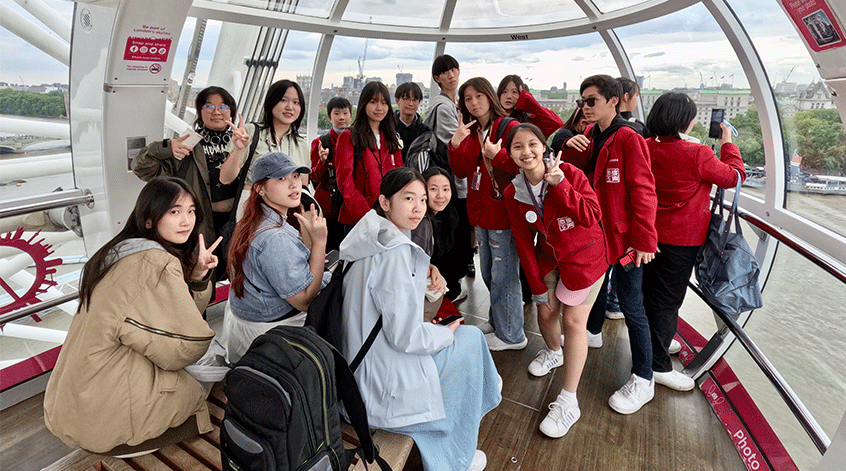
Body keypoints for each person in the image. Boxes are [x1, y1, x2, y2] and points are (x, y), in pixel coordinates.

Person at [339, 167, 501, 471]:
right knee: (469, 340)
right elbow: (406, 337)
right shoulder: (394, 252)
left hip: (356, 368)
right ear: (385, 202)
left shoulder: (367, 234)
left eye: (422, 199)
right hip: (378, 387)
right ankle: (455, 457)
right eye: (408, 198)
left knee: (464, 340)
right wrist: (444, 333)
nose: (418, 207)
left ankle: (464, 423)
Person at [44, 177, 219, 456]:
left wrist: (197, 276)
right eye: (174, 211)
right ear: (149, 219)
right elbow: (185, 345)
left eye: (191, 210)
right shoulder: (156, 262)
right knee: (198, 392)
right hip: (103, 420)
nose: (186, 221)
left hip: (72, 403)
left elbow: (170, 319)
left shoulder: (118, 253)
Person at [503, 123, 608, 438]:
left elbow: (591, 216)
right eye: (518, 146)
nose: (526, 152)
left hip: (586, 257)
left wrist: (560, 184)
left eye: (532, 144)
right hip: (550, 256)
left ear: (544, 147)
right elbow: (523, 241)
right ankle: (553, 351)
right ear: (510, 154)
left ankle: (569, 401)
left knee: (574, 322)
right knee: (546, 310)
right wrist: (536, 286)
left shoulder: (570, 174)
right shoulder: (513, 192)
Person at [643, 92, 746, 391]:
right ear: (685, 122)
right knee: (668, 300)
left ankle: (656, 343)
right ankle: (658, 365)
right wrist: (727, 143)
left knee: (650, 294)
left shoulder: (645, 147)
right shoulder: (697, 154)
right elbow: (734, 177)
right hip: (681, 240)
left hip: (646, 234)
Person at [577, 74, 658, 415]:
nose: (585, 107)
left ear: (613, 100)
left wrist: (644, 241)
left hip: (625, 240)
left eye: (591, 101)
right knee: (598, 288)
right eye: (582, 101)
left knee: (631, 304)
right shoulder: (591, 136)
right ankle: (592, 331)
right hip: (599, 235)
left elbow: (644, 190)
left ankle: (644, 377)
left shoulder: (627, 137)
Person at [223, 152, 331, 364]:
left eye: (295, 176)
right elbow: (305, 301)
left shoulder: (251, 220)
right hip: (270, 333)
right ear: (259, 188)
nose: (293, 184)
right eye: (281, 178)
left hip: (245, 325)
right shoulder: (274, 237)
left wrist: (313, 261)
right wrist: (319, 243)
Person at [132, 86, 250, 264]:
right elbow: (142, 168)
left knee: (237, 268)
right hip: (200, 222)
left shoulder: (244, 142)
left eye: (223, 106)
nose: (216, 112)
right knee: (203, 268)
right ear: (199, 111)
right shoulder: (187, 143)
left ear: (232, 111)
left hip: (236, 219)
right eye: (209, 106)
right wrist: (165, 147)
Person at [449, 77, 523, 351]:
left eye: (478, 96)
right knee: (490, 274)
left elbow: (525, 165)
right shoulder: (471, 132)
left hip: (504, 214)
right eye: (468, 99)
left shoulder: (509, 127)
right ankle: (498, 321)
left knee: (504, 276)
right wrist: (455, 144)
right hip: (480, 213)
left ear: (489, 96)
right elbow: (460, 172)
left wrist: (498, 155)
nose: (474, 103)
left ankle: (512, 335)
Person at [425, 54, 474, 282]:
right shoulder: (444, 107)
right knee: (456, 230)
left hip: (451, 179)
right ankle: (451, 282)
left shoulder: (451, 103)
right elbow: (453, 144)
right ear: (437, 78)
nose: (452, 75)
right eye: (445, 72)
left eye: (454, 69)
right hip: (452, 180)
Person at [334, 81, 403, 228]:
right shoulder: (349, 136)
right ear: (364, 104)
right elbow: (345, 181)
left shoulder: (391, 137)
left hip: (389, 216)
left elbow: (399, 176)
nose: (379, 108)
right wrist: (365, 214)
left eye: (384, 103)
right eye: (373, 102)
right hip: (360, 218)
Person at [244, 79, 310, 188]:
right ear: (271, 102)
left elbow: (303, 186)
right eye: (283, 100)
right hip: (254, 197)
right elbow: (226, 178)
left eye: (296, 102)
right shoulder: (250, 132)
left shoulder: (301, 145)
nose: (289, 107)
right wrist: (238, 150)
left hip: (289, 199)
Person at [311, 96, 353, 251]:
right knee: (328, 246)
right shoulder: (321, 143)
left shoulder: (357, 140)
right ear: (329, 117)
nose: (341, 117)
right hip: (329, 205)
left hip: (350, 201)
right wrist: (322, 162)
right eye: (336, 113)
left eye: (345, 113)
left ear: (351, 116)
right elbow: (314, 177)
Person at [496, 74, 564, 137]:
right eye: (504, 92)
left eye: (514, 92)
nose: (508, 96)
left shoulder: (529, 121)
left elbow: (556, 123)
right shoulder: (493, 119)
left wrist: (527, 99)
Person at [394, 82, 429, 161]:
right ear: (397, 101)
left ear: (419, 103)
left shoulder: (424, 132)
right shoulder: (388, 127)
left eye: (415, 100)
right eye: (406, 99)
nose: (411, 104)